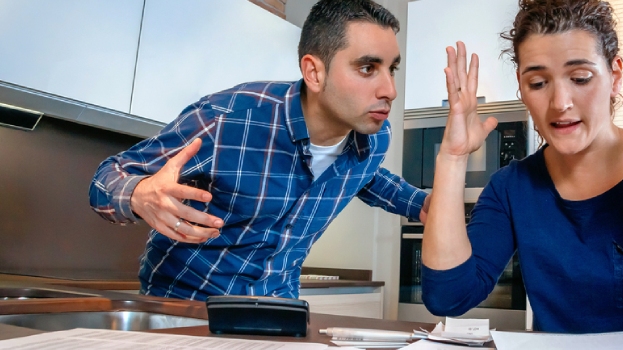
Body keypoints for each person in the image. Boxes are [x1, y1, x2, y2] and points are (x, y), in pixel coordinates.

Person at [420, 0, 623, 343]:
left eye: (580, 78)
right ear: (521, 86)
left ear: (615, 75)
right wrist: (452, 158)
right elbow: (449, 297)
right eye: (538, 83)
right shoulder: (511, 187)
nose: (560, 101)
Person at [88, 0, 429, 301]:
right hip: (185, 307)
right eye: (368, 68)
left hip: (278, 309)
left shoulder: (373, 136)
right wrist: (138, 193)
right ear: (314, 72)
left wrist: (421, 204)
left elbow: (368, 176)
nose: (389, 90)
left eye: (392, 68)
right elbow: (108, 176)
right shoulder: (228, 118)